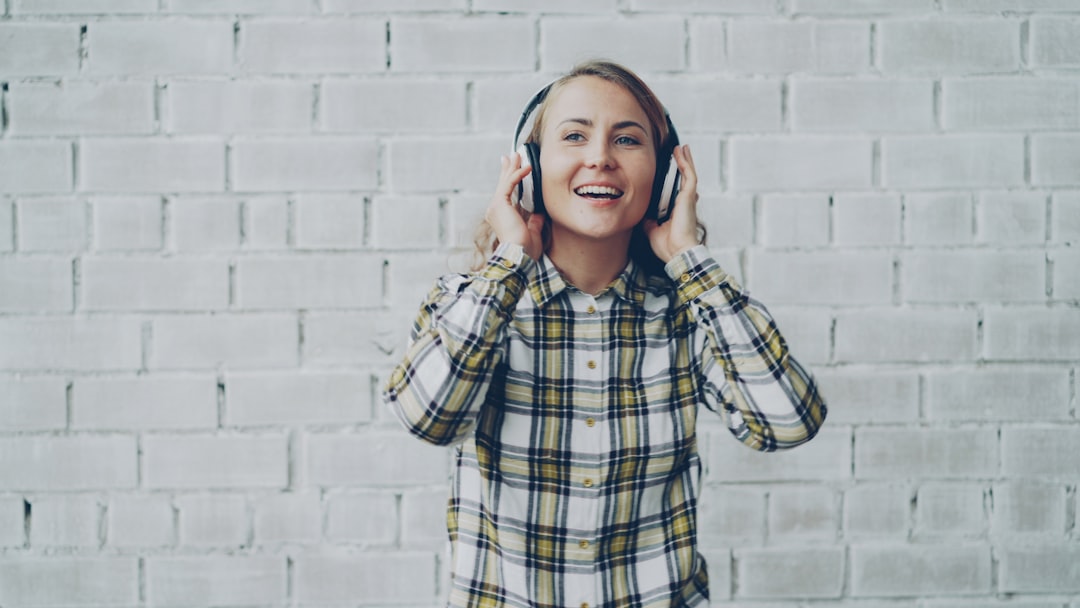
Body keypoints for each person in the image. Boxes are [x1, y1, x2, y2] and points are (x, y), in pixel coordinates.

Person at [382, 60, 826, 608]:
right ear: (529, 168)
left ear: (663, 174)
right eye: (574, 136)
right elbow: (429, 418)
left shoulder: (690, 314)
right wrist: (511, 260)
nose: (600, 157)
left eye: (627, 139)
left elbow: (788, 422)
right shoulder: (473, 304)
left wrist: (691, 262)